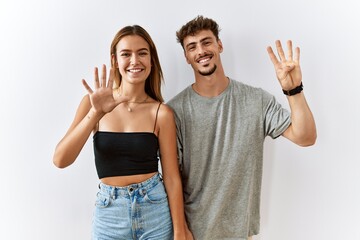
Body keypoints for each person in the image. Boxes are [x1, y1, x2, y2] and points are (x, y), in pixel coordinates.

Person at [167, 15, 317, 240]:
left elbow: (305, 137)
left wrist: (294, 89)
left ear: (219, 45)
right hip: (193, 235)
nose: (201, 51)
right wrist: (181, 231)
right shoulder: (174, 111)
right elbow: (172, 179)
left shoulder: (256, 100)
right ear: (187, 57)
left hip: (241, 234)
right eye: (192, 47)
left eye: (207, 42)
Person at [53, 25, 190, 240]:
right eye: (126, 54)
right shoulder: (92, 104)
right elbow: (60, 159)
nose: (135, 61)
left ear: (151, 60)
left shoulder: (161, 113)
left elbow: (172, 177)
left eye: (142, 53)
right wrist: (95, 113)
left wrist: (180, 231)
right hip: (109, 214)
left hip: (154, 210)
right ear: (115, 61)